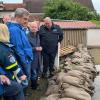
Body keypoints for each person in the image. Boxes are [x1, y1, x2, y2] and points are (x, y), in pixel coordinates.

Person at [0, 23, 26, 100]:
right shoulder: (3, 48)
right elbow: (12, 64)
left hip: (3, 75)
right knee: (17, 89)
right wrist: (21, 75)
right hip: (7, 76)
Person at [7, 8, 33, 81]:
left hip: (23, 61)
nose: (27, 21)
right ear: (17, 18)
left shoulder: (19, 29)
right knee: (23, 82)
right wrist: (25, 62)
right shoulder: (15, 30)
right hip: (22, 63)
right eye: (25, 19)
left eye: (27, 19)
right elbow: (18, 49)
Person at [28, 22, 42, 90]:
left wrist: (40, 47)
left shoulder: (37, 35)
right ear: (29, 27)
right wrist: (35, 48)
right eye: (32, 27)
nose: (34, 28)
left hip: (38, 57)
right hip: (32, 57)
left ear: (37, 28)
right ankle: (33, 86)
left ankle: (35, 83)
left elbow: (39, 44)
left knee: (37, 71)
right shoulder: (27, 36)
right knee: (33, 72)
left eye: (35, 27)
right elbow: (26, 48)